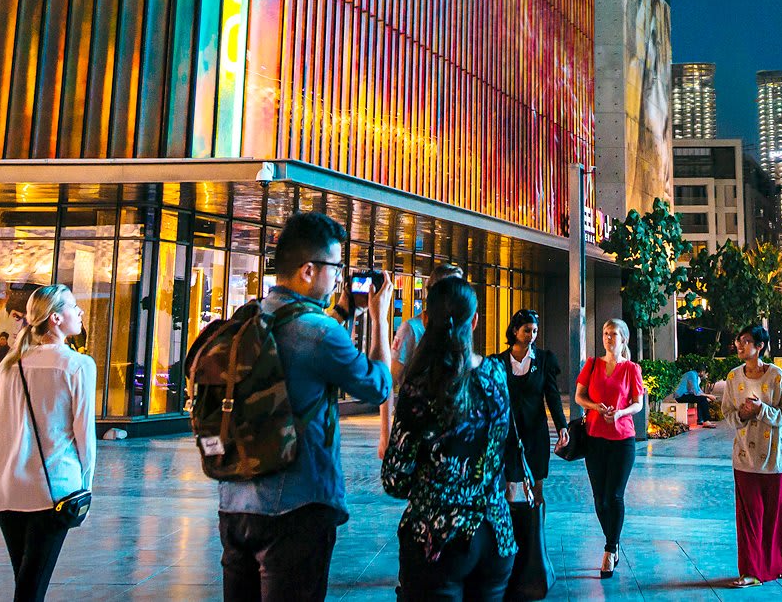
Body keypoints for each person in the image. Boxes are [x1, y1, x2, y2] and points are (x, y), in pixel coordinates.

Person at [217, 212, 394, 601]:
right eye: (335, 266)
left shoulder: (249, 318)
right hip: (297, 506)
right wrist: (380, 320)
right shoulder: (319, 332)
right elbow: (379, 386)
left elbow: (306, 343)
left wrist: (345, 311)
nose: (339, 276)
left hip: (235, 503)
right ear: (309, 270)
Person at [0, 285, 96, 602]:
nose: (80, 312)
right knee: (29, 590)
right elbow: (85, 437)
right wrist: (86, 489)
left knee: (26, 585)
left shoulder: (10, 367)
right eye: (73, 307)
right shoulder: (79, 366)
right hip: (55, 494)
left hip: (9, 497)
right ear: (55, 318)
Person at [384, 275, 515, 600]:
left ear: (426, 320)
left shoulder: (419, 387)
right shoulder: (496, 375)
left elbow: (395, 481)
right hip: (495, 533)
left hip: (437, 539)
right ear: (475, 321)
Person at [721, 325, 782, 587]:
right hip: (744, 457)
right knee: (748, 515)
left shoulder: (776, 377)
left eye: (747, 341)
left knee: (775, 514)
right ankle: (750, 570)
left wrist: (761, 410)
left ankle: (776, 564)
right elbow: (728, 414)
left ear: (760, 346)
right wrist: (742, 414)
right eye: (738, 341)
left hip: (775, 457)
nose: (740, 346)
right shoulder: (733, 378)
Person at [574, 318, 645, 578]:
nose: (608, 338)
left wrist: (620, 413)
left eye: (613, 334)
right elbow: (579, 396)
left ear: (623, 338)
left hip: (622, 439)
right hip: (594, 437)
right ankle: (613, 540)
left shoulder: (631, 369)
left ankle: (610, 548)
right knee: (599, 499)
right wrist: (595, 407)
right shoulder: (592, 365)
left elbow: (637, 403)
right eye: (605, 333)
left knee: (614, 496)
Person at [502, 309, 569, 493]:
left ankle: (535, 521)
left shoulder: (544, 360)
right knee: (510, 487)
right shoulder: (500, 362)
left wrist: (562, 425)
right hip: (509, 432)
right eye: (527, 330)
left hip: (536, 431)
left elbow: (552, 395)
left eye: (535, 331)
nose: (531, 336)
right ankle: (513, 521)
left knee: (536, 488)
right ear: (515, 331)